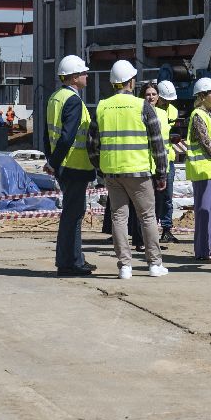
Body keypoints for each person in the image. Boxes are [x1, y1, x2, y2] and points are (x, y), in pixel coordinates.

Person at [91, 60, 170, 278]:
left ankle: (125, 266)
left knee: (118, 218)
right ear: (131, 82)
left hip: (112, 171)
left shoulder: (102, 107)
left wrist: (101, 168)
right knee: (147, 217)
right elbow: (157, 143)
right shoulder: (142, 106)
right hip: (139, 171)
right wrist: (161, 173)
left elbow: (92, 144)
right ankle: (154, 264)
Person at [45, 55, 96, 276]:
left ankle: (73, 259)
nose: (87, 76)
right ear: (74, 77)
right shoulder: (73, 101)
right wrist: (54, 162)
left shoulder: (55, 98)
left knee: (71, 214)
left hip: (64, 167)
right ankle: (70, 263)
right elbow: (67, 137)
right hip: (74, 166)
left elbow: (48, 134)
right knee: (73, 216)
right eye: (83, 73)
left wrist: (52, 161)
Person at [184, 77, 211, 262]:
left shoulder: (209, 115)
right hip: (203, 170)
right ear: (202, 96)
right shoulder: (198, 115)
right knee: (204, 212)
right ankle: (202, 250)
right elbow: (206, 142)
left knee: (210, 211)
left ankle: (206, 248)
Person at [154, 79, 183, 243]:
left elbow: (175, 132)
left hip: (167, 160)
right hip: (151, 160)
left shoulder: (173, 111)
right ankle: (150, 230)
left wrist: (175, 137)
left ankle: (166, 229)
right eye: (165, 100)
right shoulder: (149, 109)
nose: (167, 103)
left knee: (167, 198)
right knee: (152, 199)